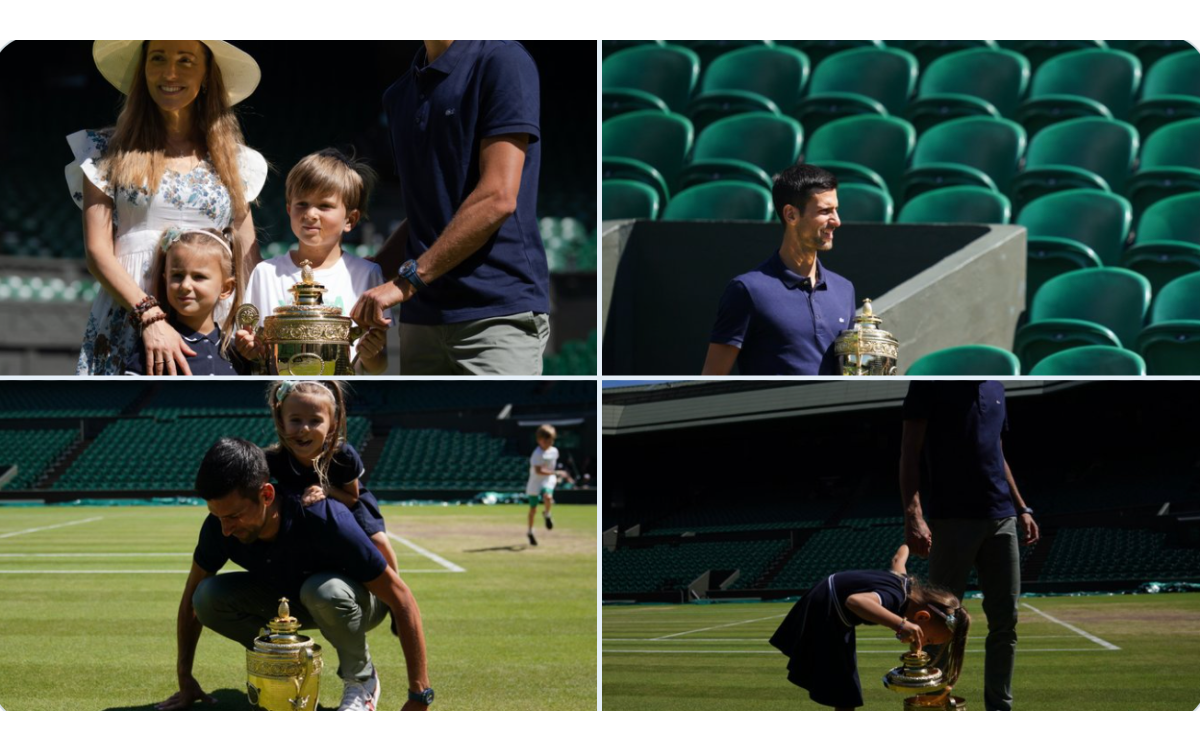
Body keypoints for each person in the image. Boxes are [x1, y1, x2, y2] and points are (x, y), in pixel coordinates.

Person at [157, 437, 433, 711]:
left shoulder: (325, 519)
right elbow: (190, 600)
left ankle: (362, 680)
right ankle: (284, 666)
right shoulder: (219, 527)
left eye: (234, 516)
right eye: (218, 516)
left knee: (322, 591)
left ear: (266, 495)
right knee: (206, 597)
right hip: (290, 601)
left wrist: (420, 694)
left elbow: (401, 597)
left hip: (359, 601)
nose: (226, 529)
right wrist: (185, 677)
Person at [66, 39, 266, 376]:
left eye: (186, 60)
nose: (169, 72)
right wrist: (150, 317)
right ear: (143, 71)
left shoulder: (237, 161)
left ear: (207, 75)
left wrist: (252, 327)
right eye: (157, 58)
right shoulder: (105, 150)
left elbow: (248, 257)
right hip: (129, 314)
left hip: (215, 323)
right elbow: (97, 251)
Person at [352, 40, 549, 375]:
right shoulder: (398, 96)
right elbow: (426, 213)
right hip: (420, 322)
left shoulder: (503, 60)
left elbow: (498, 196)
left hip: (495, 314)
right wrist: (367, 272)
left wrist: (406, 281)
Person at [900, 380, 1040, 712]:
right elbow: (909, 453)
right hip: (952, 519)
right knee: (940, 620)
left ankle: (999, 706)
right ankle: (932, 704)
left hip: (1002, 518)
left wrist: (1022, 508)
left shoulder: (997, 386)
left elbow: (997, 451)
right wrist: (914, 514)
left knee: (1006, 623)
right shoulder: (930, 383)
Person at [236, 148, 388, 374]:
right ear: (289, 210)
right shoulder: (264, 273)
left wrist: (370, 354)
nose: (310, 214)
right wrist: (248, 349)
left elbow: (378, 366)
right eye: (302, 204)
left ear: (350, 219)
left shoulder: (368, 274)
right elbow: (256, 352)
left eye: (324, 205)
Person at [769, 543, 970, 711]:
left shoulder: (904, 583)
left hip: (836, 614)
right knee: (843, 685)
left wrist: (910, 545)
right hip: (825, 611)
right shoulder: (895, 597)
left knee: (845, 685)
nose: (923, 644)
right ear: (922, 616)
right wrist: (901, 624)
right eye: (928, 640)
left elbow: (898, 560)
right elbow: (855, 602)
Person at [702, 164, 855, 376]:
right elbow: (712, 377)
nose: (836, 221)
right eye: (825, 211)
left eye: (836, 210)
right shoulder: (747, 290)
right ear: (791, 215)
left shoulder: (845, 290)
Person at [263, 379, 399, 574]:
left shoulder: (343, 455)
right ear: (281, 422)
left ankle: (398, 596)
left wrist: (327, 490)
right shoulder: (273, 460)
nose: (304, 429)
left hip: (346, 501)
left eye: (315, 421)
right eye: (295, 420)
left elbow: (352, 499)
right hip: (301, 509)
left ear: (332, 426)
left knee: (378, 541)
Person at [125, 227, 242, 375]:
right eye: (177, 275)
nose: (185, 285)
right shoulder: (157, 344)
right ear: (165, 279)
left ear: (226, 288)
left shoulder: (237, 352)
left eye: (199, 277)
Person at [525, 423, 569, 546]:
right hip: (535, 481)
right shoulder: (537, 454)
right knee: (533, 509)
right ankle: (530, 531)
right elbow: (539, 471)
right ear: (539, 440)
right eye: (546, 441)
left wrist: (554, 474)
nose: (549, 443)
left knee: (548, 497)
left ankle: (547, 514)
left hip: (548, 479)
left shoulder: (555, 451)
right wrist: (556, 472)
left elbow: (549, 469)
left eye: (551, 441)